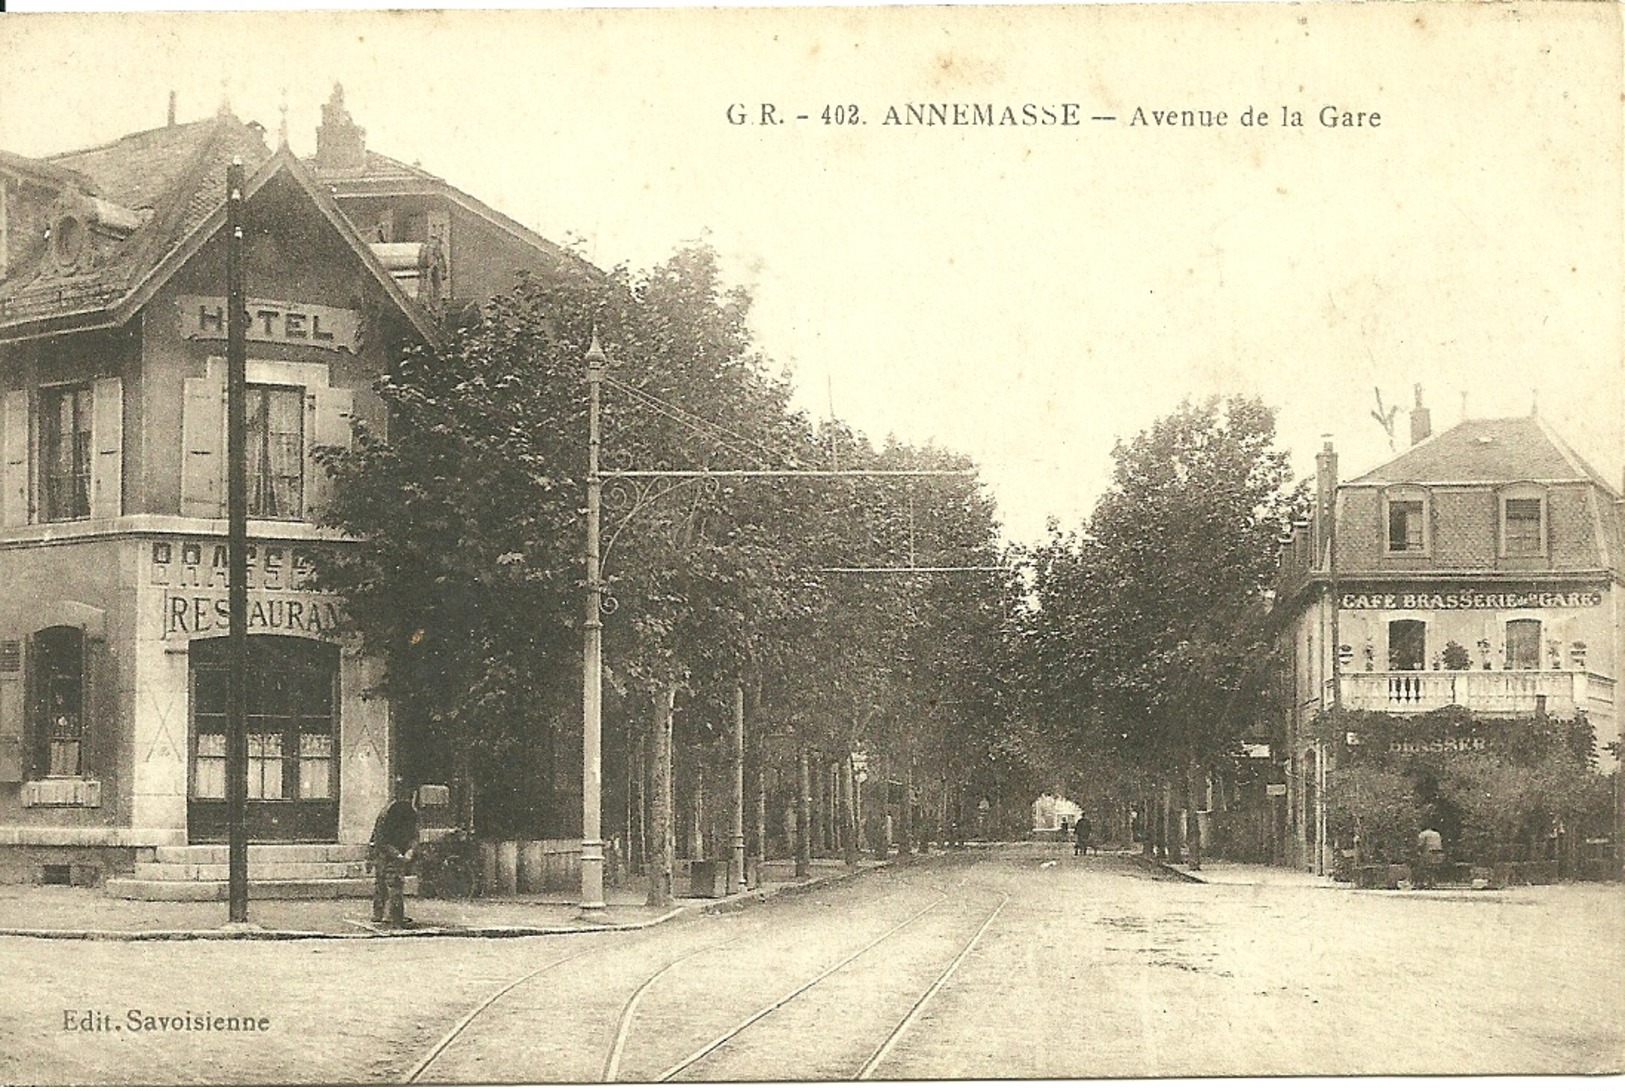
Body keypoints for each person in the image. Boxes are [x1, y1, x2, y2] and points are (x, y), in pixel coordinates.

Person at [371, 779, 419, 926]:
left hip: (398, 850)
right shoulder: (388, 814)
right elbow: (383, 840)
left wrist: (411, 850)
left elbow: (414, 835)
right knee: (389, 883)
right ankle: (392, 918)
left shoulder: (411, 813)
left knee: (389, 883)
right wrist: (398, 855)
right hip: (384, 852)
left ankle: (387, 915)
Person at [1415, 825, 1444, 890]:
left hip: (1429, 853)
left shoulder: (1423, 834)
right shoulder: (1437, 833)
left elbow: (1420, 845)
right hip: (1439, 854)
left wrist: (1418, 852)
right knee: (1432, 868)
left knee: (1422, 867)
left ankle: (1423, 882)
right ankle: (1432, 882)